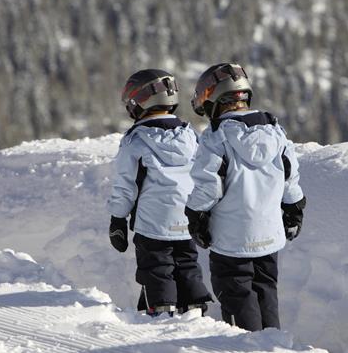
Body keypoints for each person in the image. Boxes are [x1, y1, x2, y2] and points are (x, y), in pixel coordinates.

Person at [184, 63, 306, 331]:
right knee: (266, 293)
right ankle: (271, 344)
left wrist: (195, 216)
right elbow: (290, 179)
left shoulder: (215, 138)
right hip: (269, 237)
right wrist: (294, 209)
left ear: (214, 98)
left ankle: (246, 345)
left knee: (238, 297)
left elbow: (208, 187)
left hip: (232, 241)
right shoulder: (275, 131)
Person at [107, 68, 212, 317]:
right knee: (187, 263)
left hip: (152, 224)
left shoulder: (135, 141)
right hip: (187, 219)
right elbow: (203, 175)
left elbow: (125, 186)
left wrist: (118, 220)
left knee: (157, 268)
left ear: (139, 102)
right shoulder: (190, 135)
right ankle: (194, 308)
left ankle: (162, 311)